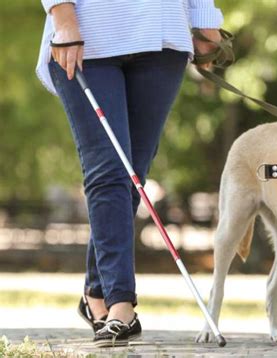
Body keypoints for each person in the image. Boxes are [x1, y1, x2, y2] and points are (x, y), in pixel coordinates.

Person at [36, 0, 223, 347]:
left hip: (163, 36)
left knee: (131, 177)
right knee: (108, 171)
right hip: (88, 34)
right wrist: (63, 20)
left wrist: (206, 22)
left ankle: (96, 292)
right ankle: (121, 306)